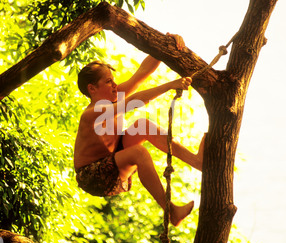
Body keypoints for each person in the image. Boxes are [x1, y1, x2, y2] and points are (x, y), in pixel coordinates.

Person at [74, 34, 205, 227]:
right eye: (108, 81)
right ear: (92, 88)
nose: (115, 84)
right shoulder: (92, 113)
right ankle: (171, 211)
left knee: (142, 125)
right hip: (93, 176)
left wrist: (165, 44)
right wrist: (170, 85)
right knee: (139, 152)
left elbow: (142, 73)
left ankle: (197, 162)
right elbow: (134, 101)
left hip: (113, 159)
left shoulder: (113, 97)